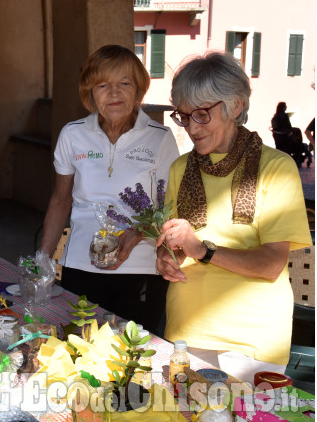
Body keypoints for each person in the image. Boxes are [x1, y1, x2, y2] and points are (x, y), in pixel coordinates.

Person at [156, 51, 312, 384]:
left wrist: (202, 250)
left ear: (235, 106)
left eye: (201, 114)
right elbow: (174, 246)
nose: (192, 127)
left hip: (251, 341)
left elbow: (272, 263)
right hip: (186, 329)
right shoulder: (180, 169)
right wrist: (166, 257)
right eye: (183, 116)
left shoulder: (275, 169)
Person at [38, 45, 180, 336]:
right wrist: (42, 260)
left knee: (133, 359)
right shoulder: (73, 134)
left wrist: (136, 235)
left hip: (140, 270)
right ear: (90, 93)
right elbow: (60, 199)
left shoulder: (160, 139)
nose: (114, 94)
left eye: (124, 83)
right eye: (103, 85)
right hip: (81, 265)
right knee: (79, 348)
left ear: (138, 90)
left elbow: (170, 207)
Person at [271, 101, 306, 167]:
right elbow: (288, 127)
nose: (286, 107)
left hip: (277, 135)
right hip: (285, 135)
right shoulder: (284, 115)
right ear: (284, 108)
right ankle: (299, 149)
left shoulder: (275, 116)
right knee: (298, 130)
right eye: (285, 106)